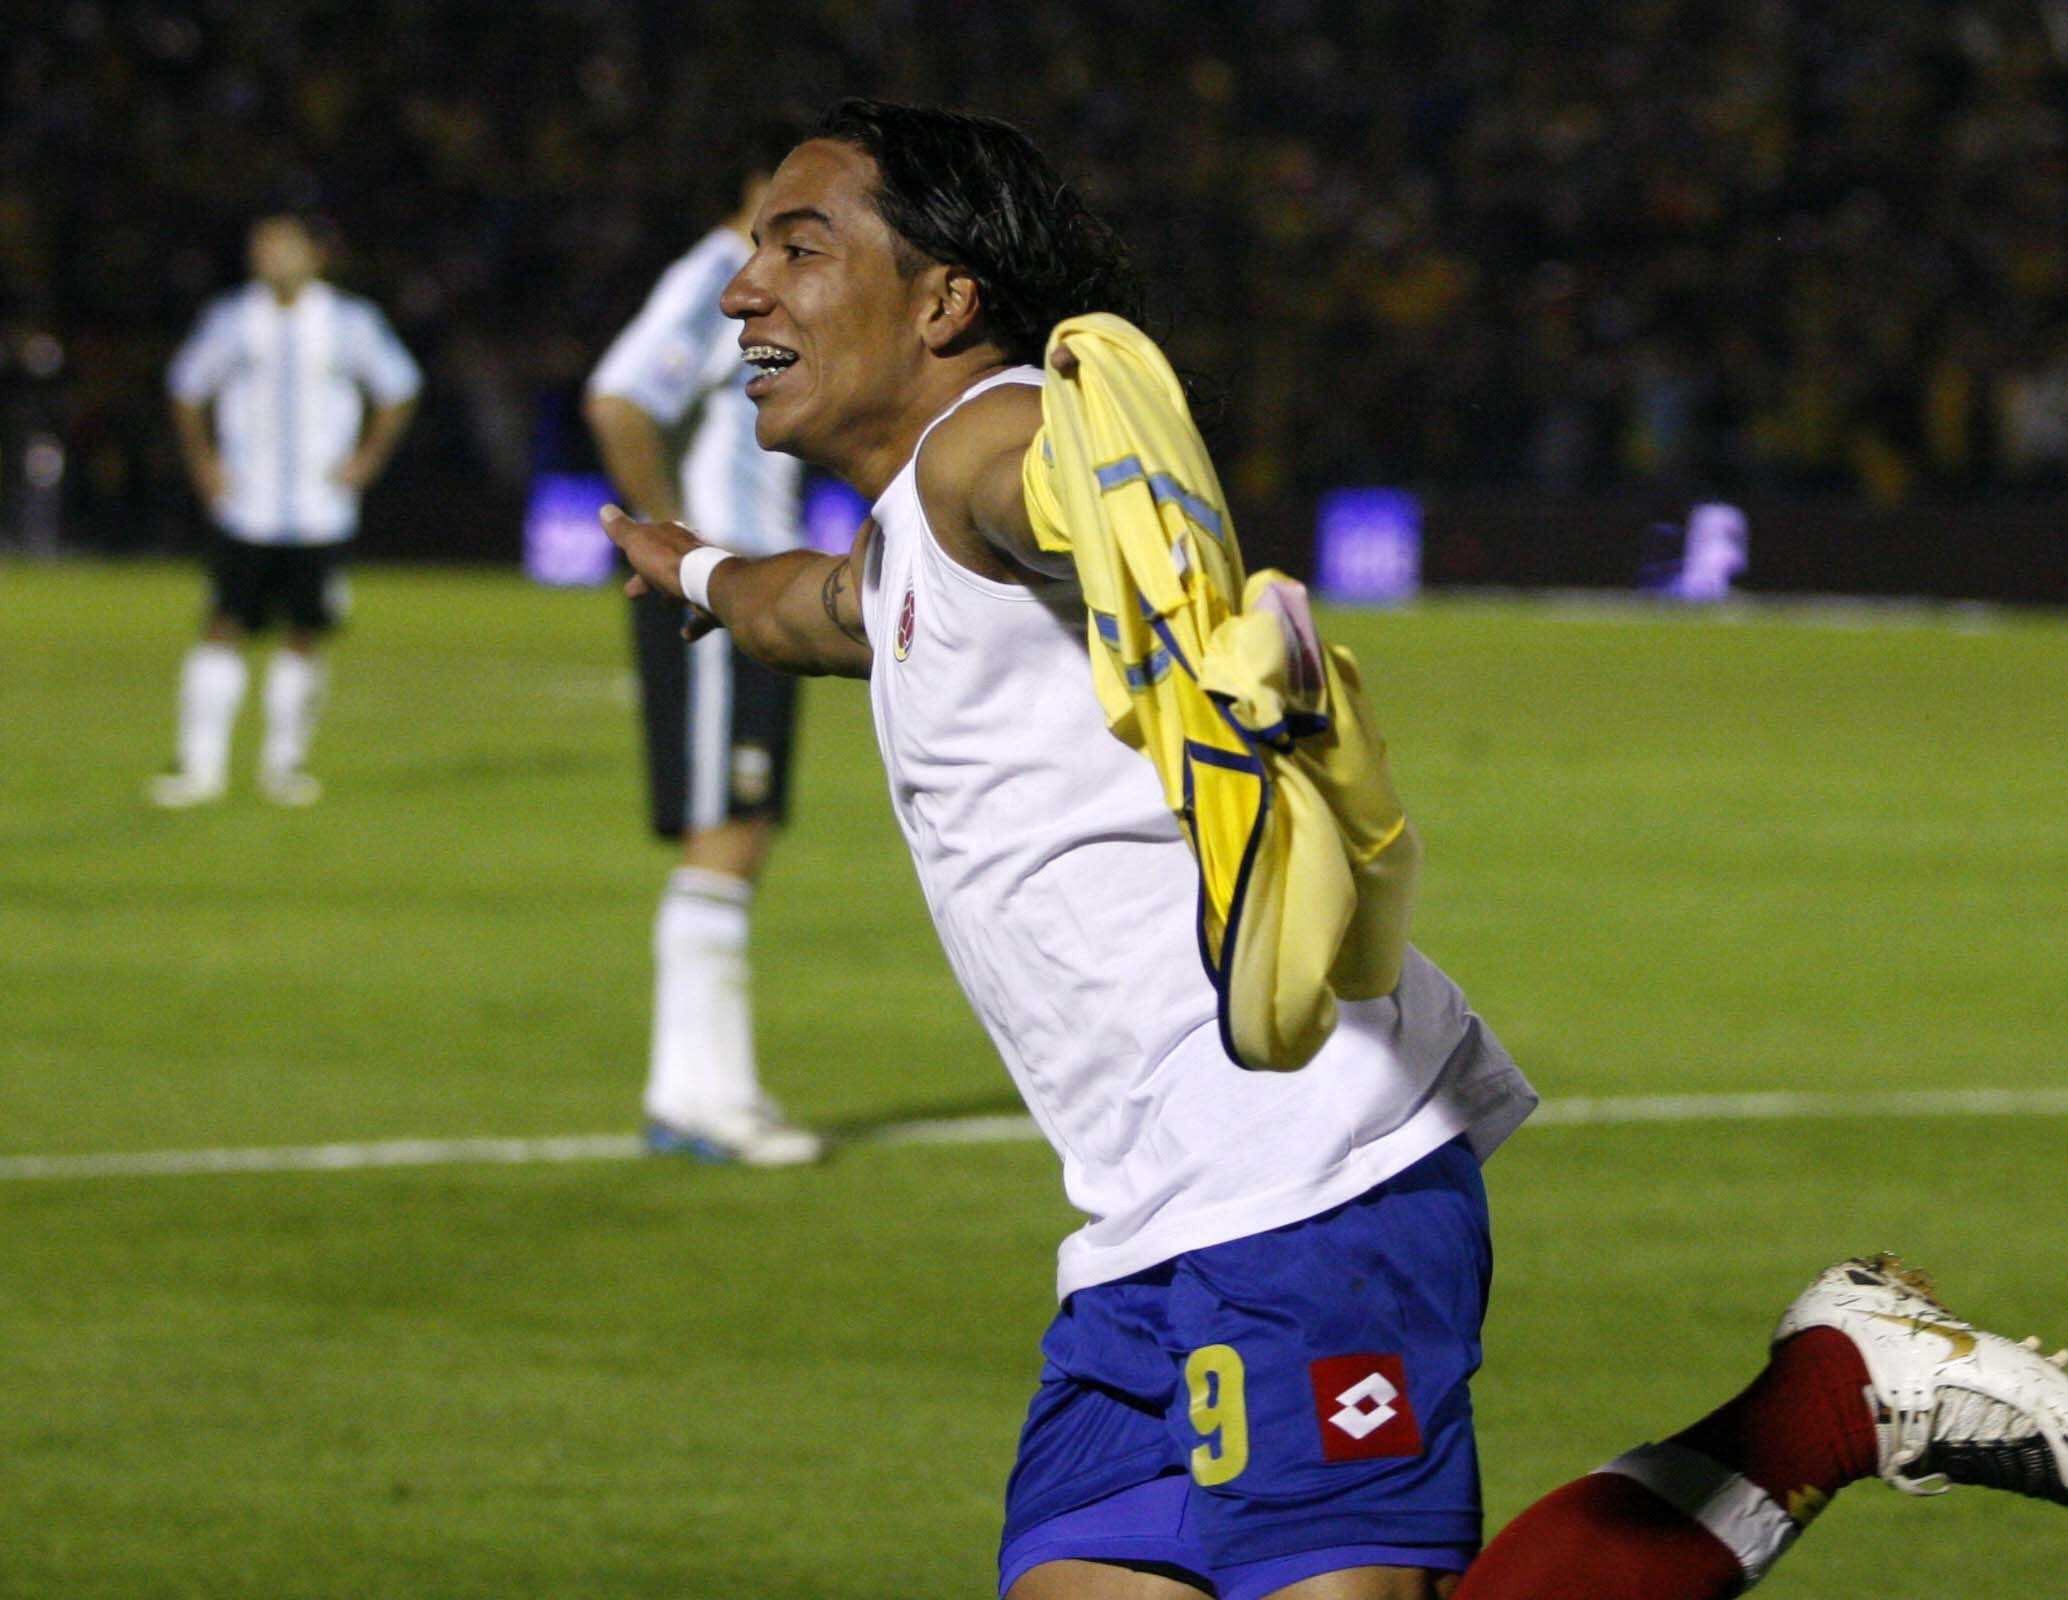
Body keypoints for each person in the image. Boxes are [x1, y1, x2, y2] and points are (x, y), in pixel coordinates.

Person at [601, 100, 2068, 1600]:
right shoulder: (910, 536)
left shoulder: (996, 440)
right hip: (1141, 1218)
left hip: (1299, 1168)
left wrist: (1116, 521)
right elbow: (810, 610)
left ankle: (1828, 1403)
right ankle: (1828, 1389)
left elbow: (1057, 480)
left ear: (943, 300)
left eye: (800, 248)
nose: (745, 289)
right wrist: (694, 568)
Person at [583, 122, 823, 1167]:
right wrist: (677, 538)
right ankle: (706, 1101)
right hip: (717, 592)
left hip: (745, 589)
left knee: (741, 826)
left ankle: (695, 1091)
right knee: (727, 830)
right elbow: (619, 397)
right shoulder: (720, 277)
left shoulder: (766, 289)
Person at [152, 212, 420, 808]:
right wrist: (204, 463)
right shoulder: (231, 318)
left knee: (304, 633)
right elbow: (186, 387)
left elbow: (400, 386)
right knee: (222, 625)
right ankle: (199, 768)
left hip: (320, 508)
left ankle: (284, 766)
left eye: (283, 247)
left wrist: (367, 460)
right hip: (245, 505)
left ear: (314, 256)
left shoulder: (348, 321)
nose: (271, 257)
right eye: (262, 247)